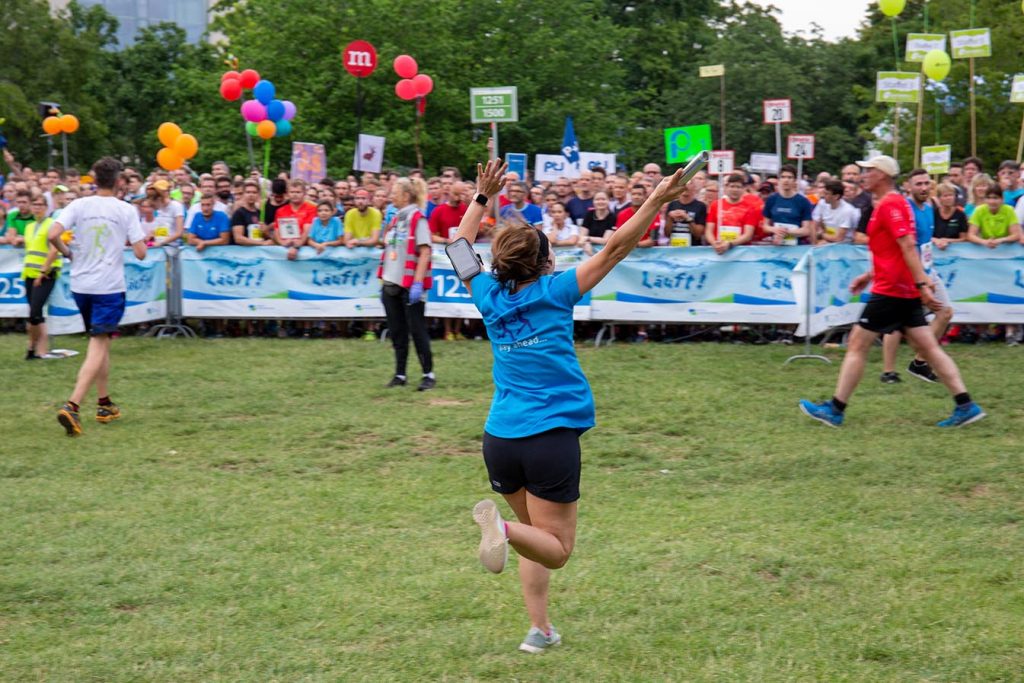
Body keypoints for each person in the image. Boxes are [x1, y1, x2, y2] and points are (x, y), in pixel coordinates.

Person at [460, 158, 694, 654]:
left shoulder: (485, 293)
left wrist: (482, 196)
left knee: (532, 535)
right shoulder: (557, 290)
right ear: (546, 261)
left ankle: (539, 630)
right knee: (558, 549)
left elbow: (457, 247)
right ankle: (497, 528)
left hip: (500, 438)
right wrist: (656, 198)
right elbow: (616, 246)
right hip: (549, 440)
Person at [799, 156, 985, 428]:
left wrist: (922, 284)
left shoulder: (892, 204)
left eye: (869, 170)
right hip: (897, 286)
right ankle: (965, 404)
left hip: (893, 290)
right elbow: (890, 249)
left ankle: (835, 409)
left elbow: (908, 246)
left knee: (857, 345)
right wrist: (869, 275)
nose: (864, 174)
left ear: (883, 175)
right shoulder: (888, 203)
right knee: (930, 349)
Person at [48, 157, 147, 436]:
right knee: (98, 342)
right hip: (108, 286)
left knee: (100, 342)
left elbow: (53, 233)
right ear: (118, 182)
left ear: (94, 180)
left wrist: (68, 253)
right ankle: (72, 405)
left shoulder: (79, 205)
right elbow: (141, 252)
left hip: (81, 285)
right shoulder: (125, 210)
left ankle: (104, 404)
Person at [880, 169, 953, 384]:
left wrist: (937, 242)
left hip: (928, 270)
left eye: (926, 183)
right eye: (918, 184)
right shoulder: (904, 208)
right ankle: (888, 372)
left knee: (945, 312)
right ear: (908, 185)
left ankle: (919, 362)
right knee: (895, 323)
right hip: (908, 274)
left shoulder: (930, 207)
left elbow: (924, 240)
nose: (923, 188)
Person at [378, 177, 434, 391]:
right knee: (398, 332)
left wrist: (418, 283)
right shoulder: (395, 219)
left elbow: (425, 251)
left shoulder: (417, 218)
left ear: (406, 195)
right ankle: (400, 374)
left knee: (417, 330)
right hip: (391, 283)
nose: (391, 195)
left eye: (394, 192)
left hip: (410, 286)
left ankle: (428, 374)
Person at [21, 194, 63, 360]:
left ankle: (31, 347)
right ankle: (39, 350)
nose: (37, 208)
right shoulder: (29, 226)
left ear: (46, 207)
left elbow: (54, 250)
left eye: (40, 205)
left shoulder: (51, 224)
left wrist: (43, 272)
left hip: (46, 273)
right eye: (35, 204)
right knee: (36, 315)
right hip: (29, 273)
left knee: (34, 312)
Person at [705, 173, 759, 254]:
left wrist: (730, 244)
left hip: (740, 253)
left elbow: (748, 235)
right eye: (732, 186)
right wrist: (714, 243)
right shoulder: (716, 205)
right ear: (726, 187)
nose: (735, 190)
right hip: (717, 250)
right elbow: (709, 230)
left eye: (738, 187)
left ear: (744, 189)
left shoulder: (750, 208)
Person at [763, 165, 814, 245]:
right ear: (779, 180)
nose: (786, 180)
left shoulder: (803, 201)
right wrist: (774, 230)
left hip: (795, 248)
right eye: (783, 177)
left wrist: (787, 232)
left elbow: (806, 230)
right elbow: (765, 226)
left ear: (795, 180)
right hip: (776, 246)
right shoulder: (771, 199)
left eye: (789, 177)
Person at [273, 179, 317, 260]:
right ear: (287, 194)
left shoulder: (312, 209)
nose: (295, 195)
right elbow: (276, 231)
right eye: (292, 192)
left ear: (304, 193)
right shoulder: (280, 211)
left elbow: (307, 231)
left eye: (298, 192)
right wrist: (282, 243)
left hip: (305, 250)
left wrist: (296, 247)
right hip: (284, 249)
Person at [966, 184, 1021, 249]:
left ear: (1002, 199)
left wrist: (1000, 240)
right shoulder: (979, 210)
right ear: (985, 199)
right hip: (985, 248)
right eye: (988, 198)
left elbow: (1016, 235)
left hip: (1006, 248)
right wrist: (984, 242)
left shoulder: (1009, 210)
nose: (992, 201)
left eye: (995, 198)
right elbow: (971, 235)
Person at [812, 179, 859, 243]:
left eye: (826, 194)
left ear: (836, 196)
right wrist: (816, 242)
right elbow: (814, 226)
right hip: (827, 240)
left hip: (844, 245)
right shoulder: (822, 203)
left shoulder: (847, 210)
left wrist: (820, 235)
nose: (823, 196)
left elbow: (838, 238)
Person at [665, 180, 706, 247]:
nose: (686, 186)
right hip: (674, 247)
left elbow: (698, 235)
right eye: (683, 184)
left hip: (692, 249)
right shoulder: (672, 205)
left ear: (694, 187)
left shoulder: (700, 206)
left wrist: (687, 218)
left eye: (689, 184)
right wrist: (670, 218)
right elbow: (667, 234)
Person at [231, 180, 272, 246]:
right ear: (243, 194)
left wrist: (266, 231)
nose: (251, 195)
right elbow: (238, 238)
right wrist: (262, 243)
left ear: (258, 195)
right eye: (248, 192)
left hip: (258, 252)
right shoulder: (239, 213)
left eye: (254, 192)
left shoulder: (260, 213)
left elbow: (266, 235)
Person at [933, 182, 969, 249]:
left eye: (951, 195)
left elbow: (964, 238)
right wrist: (936, 240)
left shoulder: (960, 215)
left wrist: (948, 241)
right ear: (939, 198)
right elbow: (925, 236)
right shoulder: (933, 213)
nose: (949, 198)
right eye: (945, 196)